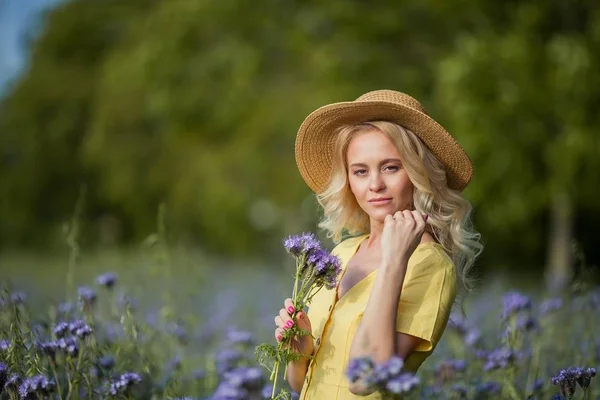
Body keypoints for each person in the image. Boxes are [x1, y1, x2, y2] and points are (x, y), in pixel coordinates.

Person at [273, 90, 483, 399]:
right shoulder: (341, 253)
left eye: (391, 167)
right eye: (360, 171)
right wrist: (300, 351)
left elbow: (365, 379)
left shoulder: (429, 264)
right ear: (349, 180)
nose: (375, 185)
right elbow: (299, 384)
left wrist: (394, 260)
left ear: (417, 173)